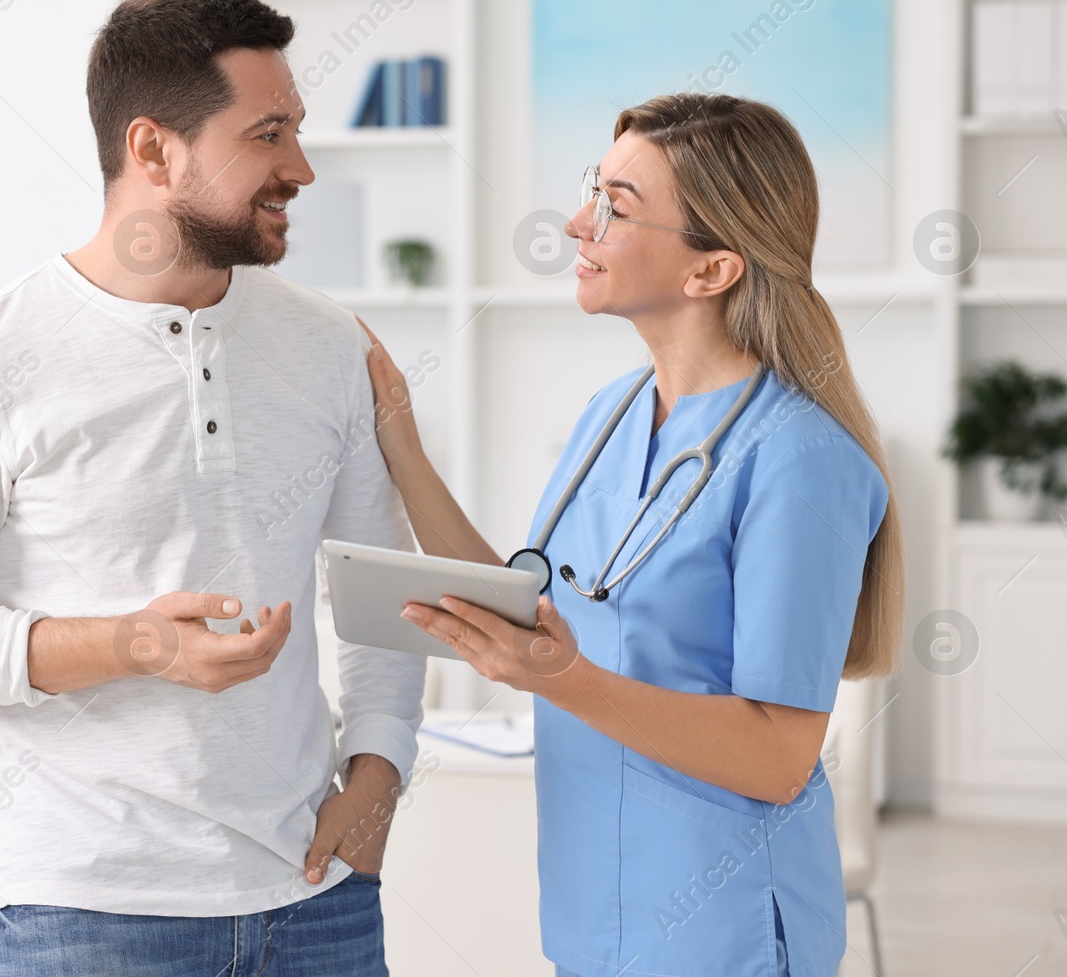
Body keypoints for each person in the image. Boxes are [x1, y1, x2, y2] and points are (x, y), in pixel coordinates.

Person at [0, 0, 424, 977]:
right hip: (88, 914)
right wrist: (131, 642)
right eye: (268, 133)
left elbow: (380, 586)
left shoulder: (327, 343)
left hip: (316, 899)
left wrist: (375, 780)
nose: (301, 167)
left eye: (298, 129)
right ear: (153, 150)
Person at [359, 93, 904, 977]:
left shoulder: (799, 458)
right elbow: (525, 604)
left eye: (616, 205)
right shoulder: (609, 416)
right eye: (592, 190)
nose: (578, 222)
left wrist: (562, 679)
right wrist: (400, 441)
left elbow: (776, 756)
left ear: (711, 269)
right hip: (593, 911)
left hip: (721, 925)